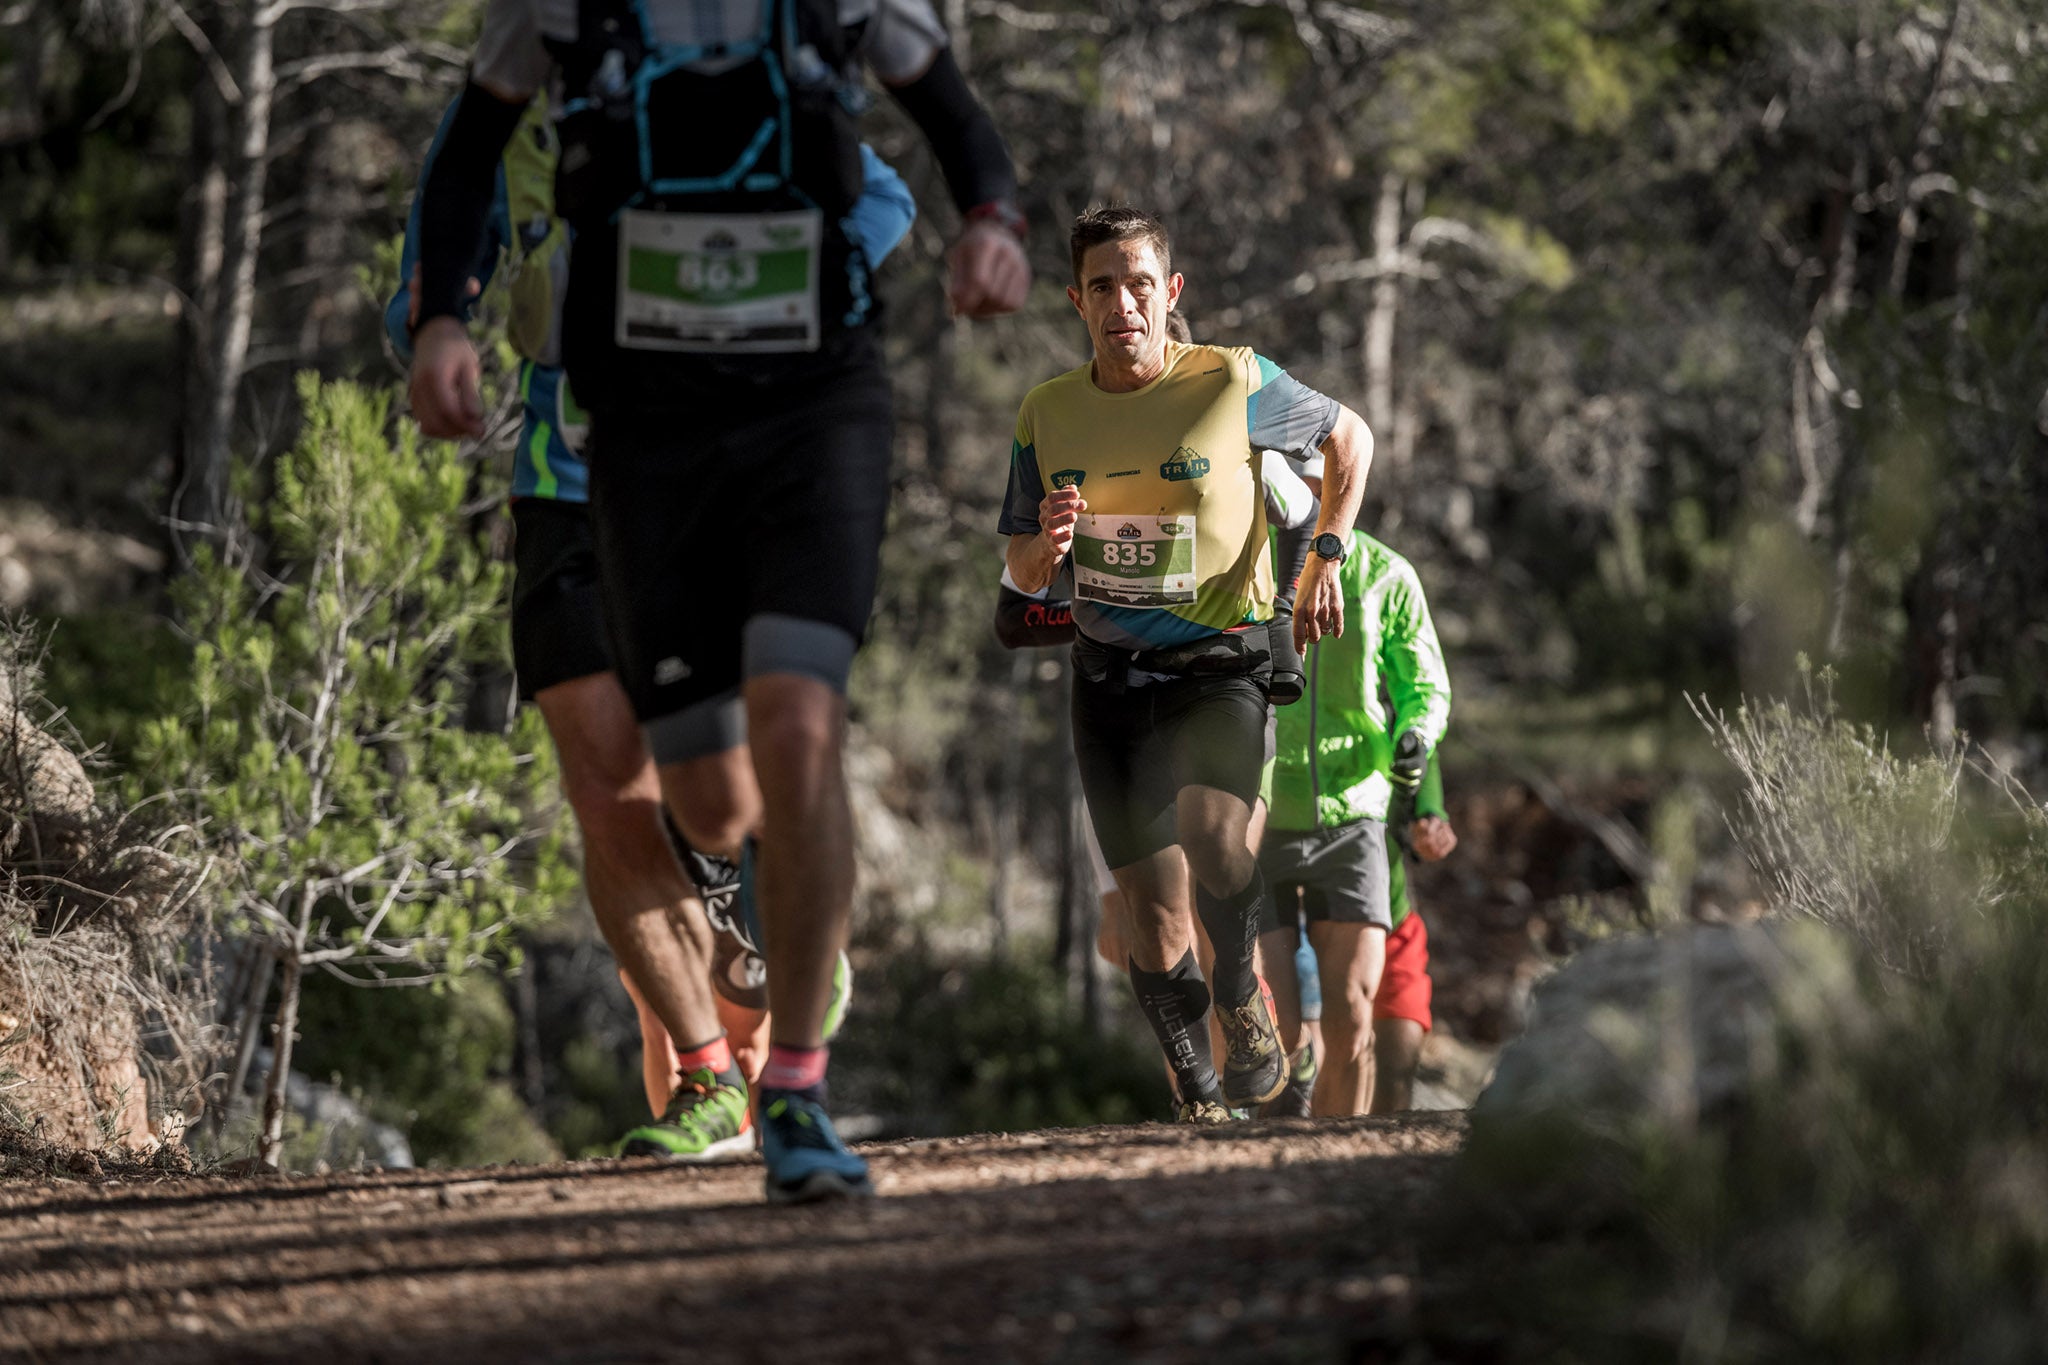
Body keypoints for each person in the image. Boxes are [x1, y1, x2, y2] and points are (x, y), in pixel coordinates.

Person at [409, 0, 1030, 1204]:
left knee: (799, 723)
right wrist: (440, 311)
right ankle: (748, 926)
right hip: (640, 429)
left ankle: (791, 1091)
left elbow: (952, 113)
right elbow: (466, 153)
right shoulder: (561, 10)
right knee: (707, 791)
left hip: (813, 404)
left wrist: (991, 226)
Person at [385, 94, 912, 1155]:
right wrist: (437, 318)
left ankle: (781, 915)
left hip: (721, 475)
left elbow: (883, 200)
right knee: (601, 782)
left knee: (724, 780)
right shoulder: (504, 109)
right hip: (564, 482)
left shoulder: (714, 65)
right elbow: (437, 254)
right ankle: (703, 1077)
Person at [1000, 205, 1373, 1115]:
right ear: (1076, 300)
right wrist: (1046, 547)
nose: (1122, 303)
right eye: (1101, 287)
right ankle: (1199, 1092)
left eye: (1139, 284)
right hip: (1110, 678)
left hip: (1221, 662)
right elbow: (1016, 565)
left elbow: (1348, 438)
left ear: (1169, 293)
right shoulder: (1046, 411)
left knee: (1214, 840)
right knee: (1148, 915)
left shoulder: (1232, 378)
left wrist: (1326, 549)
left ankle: (1241, 990)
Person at [993, 366, 1317, 1121]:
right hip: (1118, 697)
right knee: (1155, 919)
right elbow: (1012, 615)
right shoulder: (1071, 449)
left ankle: (1262, 1043)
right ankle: (1198, 1092)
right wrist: (1084, 594)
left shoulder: (1233, 431)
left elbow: (1300, 517)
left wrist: (1280, 613)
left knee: (1218, 856)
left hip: (1220, 685)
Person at [1258, 488, 1451, 1117]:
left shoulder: (1386, 574)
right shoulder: (1247, 565)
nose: (1314, 494)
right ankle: (1256, 1177)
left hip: (1355, 814)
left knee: (1349, 1016)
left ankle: (1336, 1173)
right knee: (1275, 1029)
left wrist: (1415, 736)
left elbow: (1422, 684)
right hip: (1262, 813)